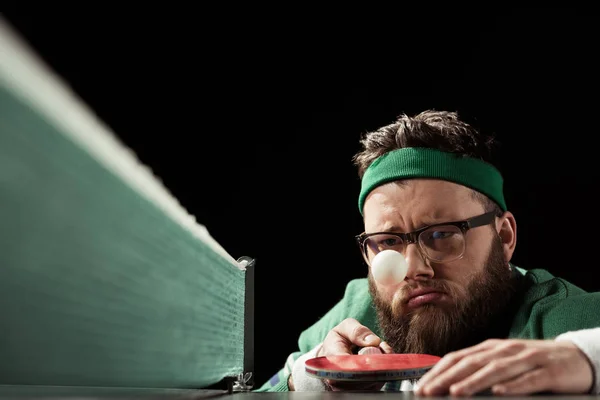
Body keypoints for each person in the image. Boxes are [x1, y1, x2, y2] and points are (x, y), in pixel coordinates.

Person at [254, 109, 600, 396]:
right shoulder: (357, 312)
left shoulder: (564, 319)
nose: (413, 269)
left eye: (441, 234)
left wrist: (587, 356)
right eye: (388, 242)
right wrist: (310, 376)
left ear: (505, 236)